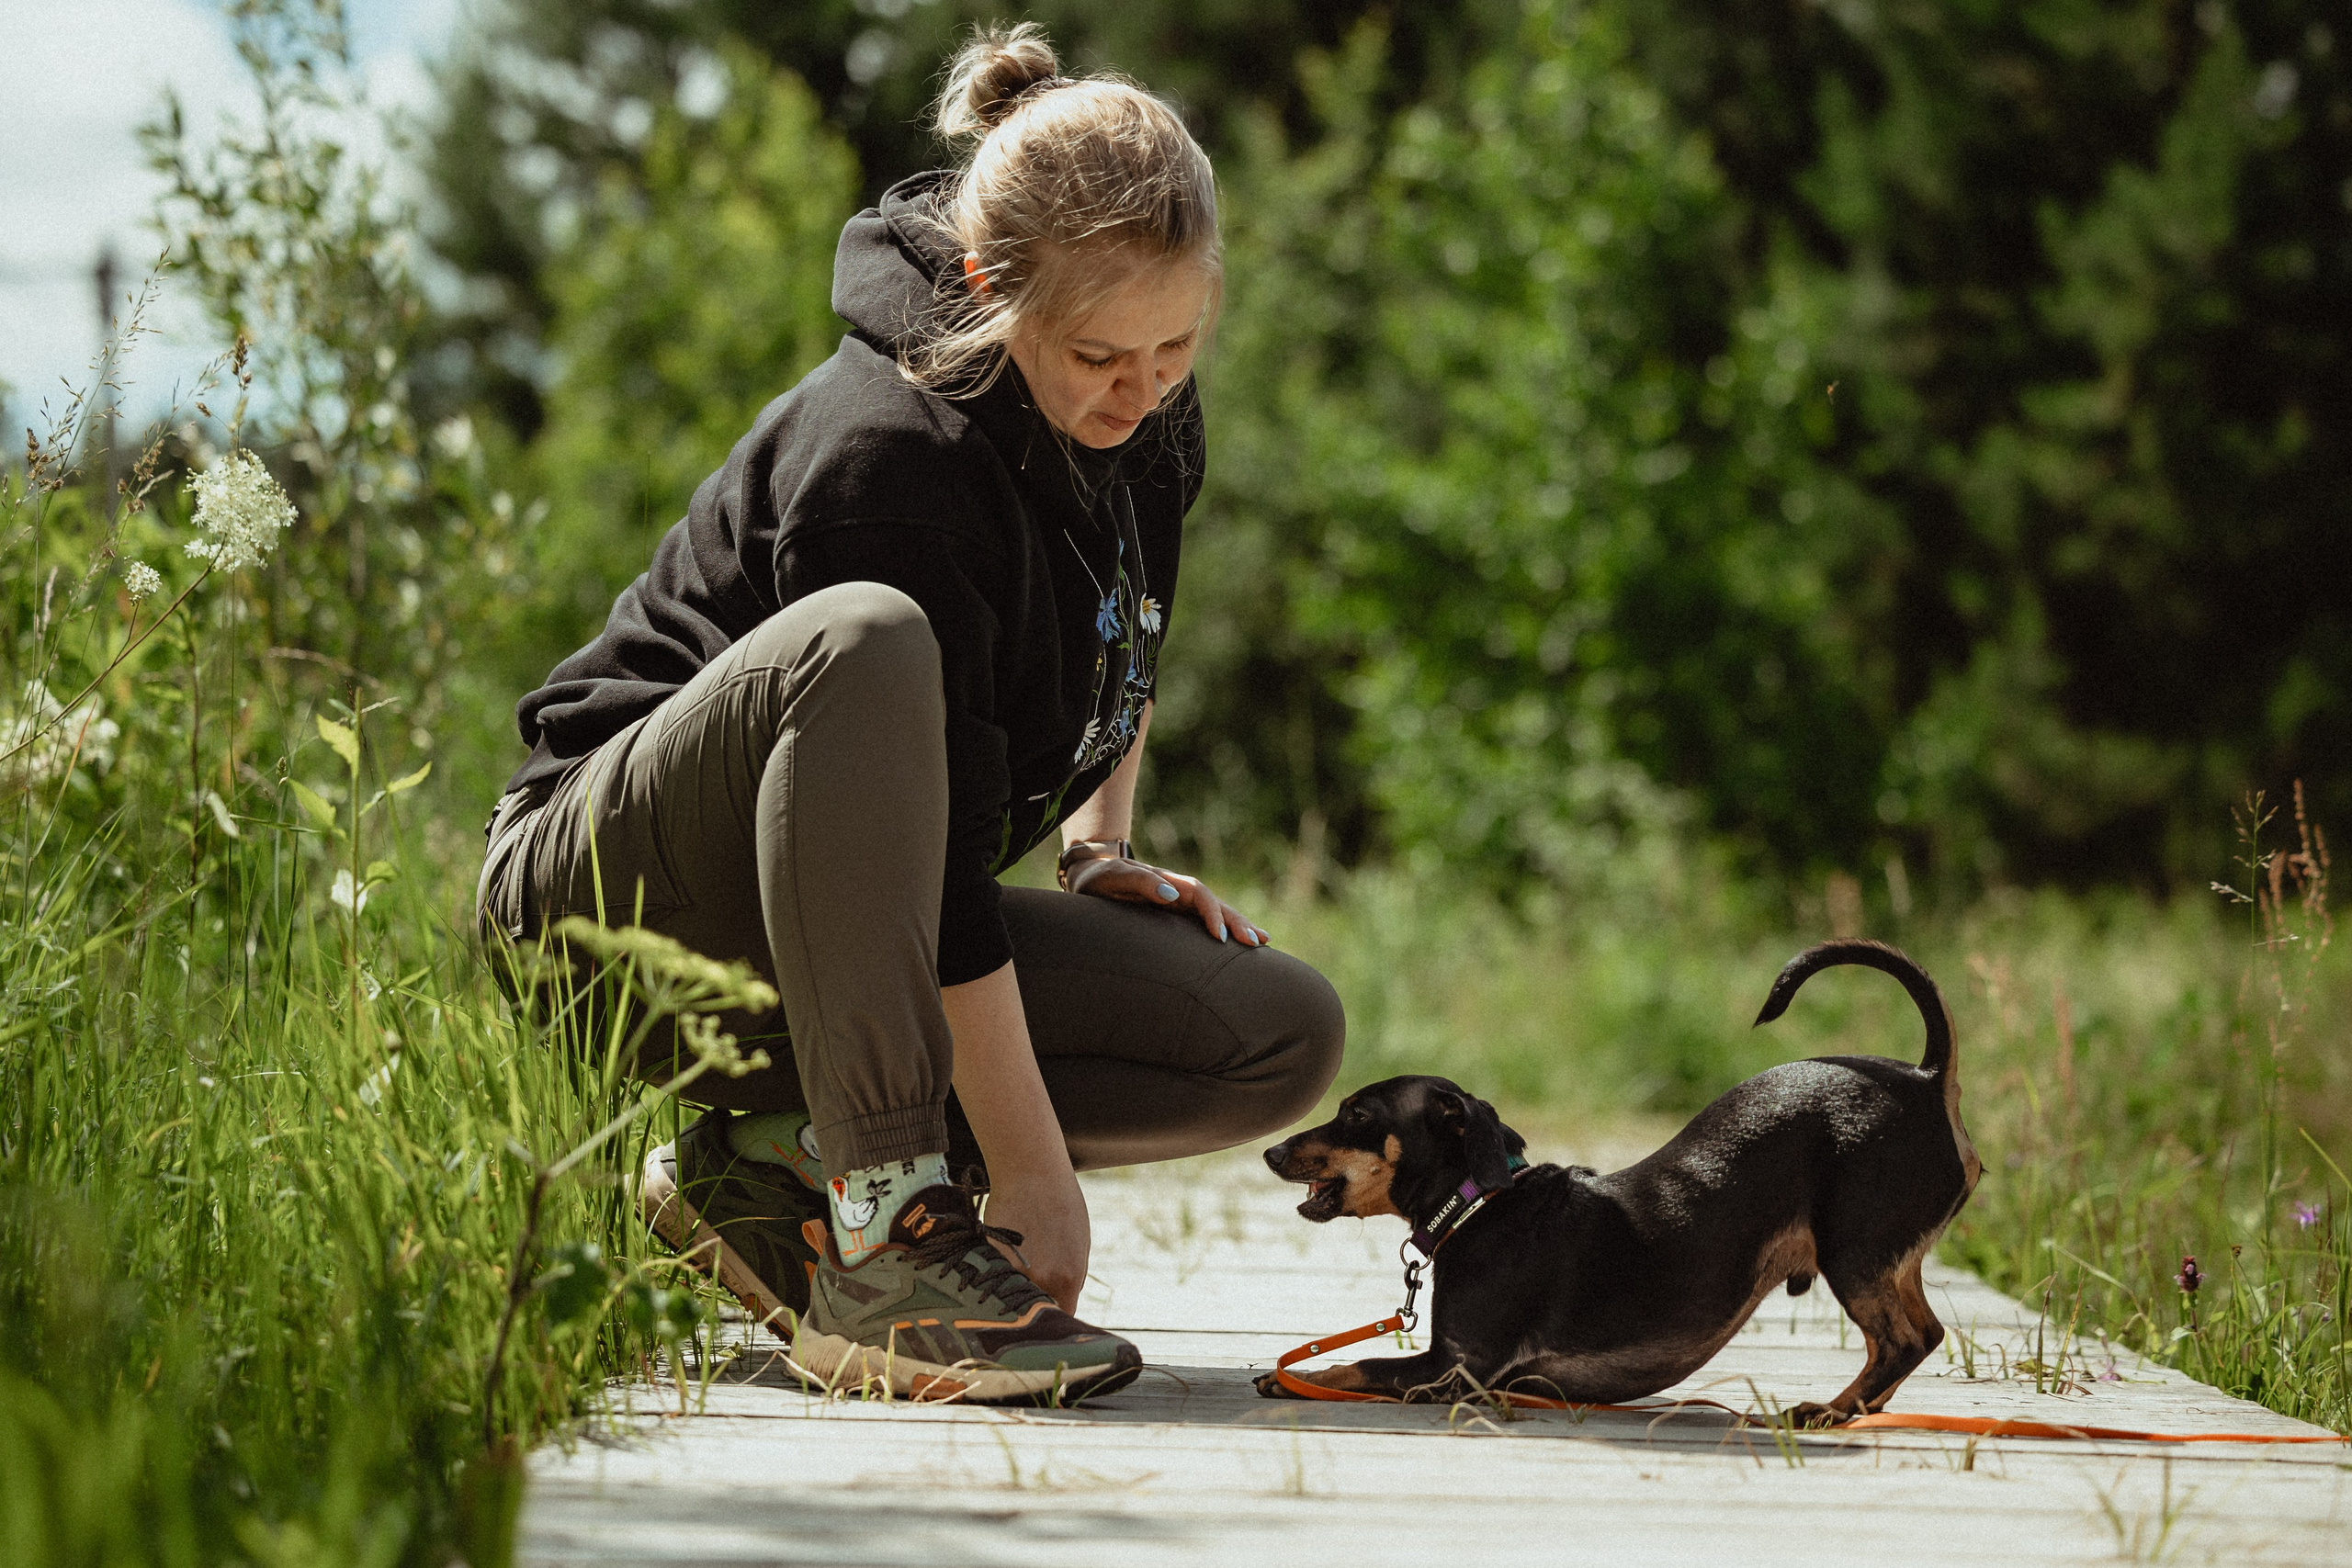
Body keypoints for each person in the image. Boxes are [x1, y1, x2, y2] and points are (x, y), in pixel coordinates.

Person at [477, 23, 1345, 1404]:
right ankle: (885, 1235)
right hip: (605, 912)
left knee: (1273, 1029)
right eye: (1101, 354)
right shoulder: (888, 453)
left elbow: (1124, 620)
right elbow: (935, 884)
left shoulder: (1139, 418)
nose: (1142, 389)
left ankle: (764, 1164)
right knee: (867, 640)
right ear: (992, 287)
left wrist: (1098, 849)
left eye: (1178, 345)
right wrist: (1031, 1175)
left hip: (829, 938)